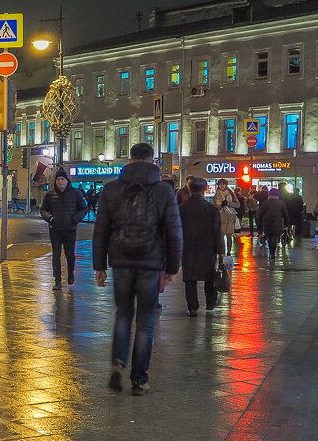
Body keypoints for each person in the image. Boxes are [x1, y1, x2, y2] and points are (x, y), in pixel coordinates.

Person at [93, 143, 182, 396]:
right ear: (152, 161)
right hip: (151, 263)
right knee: (145, 321)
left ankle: (117, 364)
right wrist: (172, 267)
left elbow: (101, 230)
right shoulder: (164, 191)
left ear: (130, 160)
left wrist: (99, 266)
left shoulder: (111, 189)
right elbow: (174, 233)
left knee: (122, 314)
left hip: (120, 261)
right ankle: (139, 379)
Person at [179, 177, 224, 316]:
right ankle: (210, 304)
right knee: (210, 276)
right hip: (207, 248)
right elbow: (218, 231)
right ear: (204, 190)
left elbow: (176, 229)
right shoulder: (211, 209)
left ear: (190, 189)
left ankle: (192, 308)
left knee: (190, 278)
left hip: (188, 247)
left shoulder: (181, 208)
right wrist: (221, 251)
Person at [40, 168, 88, 290]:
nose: (60, 182)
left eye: (62, 179)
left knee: (70, 254)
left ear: (67, 181)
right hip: (55, 229)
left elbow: (83, 209)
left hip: (70, 230)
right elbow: (43, 209)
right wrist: (50, 218)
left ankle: (71, 273)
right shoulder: (50, 194)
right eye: (58, 179)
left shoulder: (76, 193)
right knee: (56, 254)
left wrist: (75, 219)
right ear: (55, 181)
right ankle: (57, 280)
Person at [258, 187, 289, 259]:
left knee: (269, 237)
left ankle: (271, 251)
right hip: (277, 223)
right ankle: (273, 253)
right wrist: (286, 223)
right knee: (275, 237)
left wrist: (260, 221)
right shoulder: (281, 203)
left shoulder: (265, 202)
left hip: (267, 223)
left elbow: (260, 214)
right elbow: (285, 214)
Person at [214, 179, 240, 254]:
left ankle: (229, 252)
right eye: (220, 184)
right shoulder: (216, 194)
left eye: (223, 184)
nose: (222, 186)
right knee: (221, 238)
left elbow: (238, 205)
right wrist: (220, 206)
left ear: (226, 185)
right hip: (220, 218)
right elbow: (214, 206)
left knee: (229, 237)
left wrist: (227, 203)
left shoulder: (231, 193)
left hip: (230, 217)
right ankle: (222, 253)